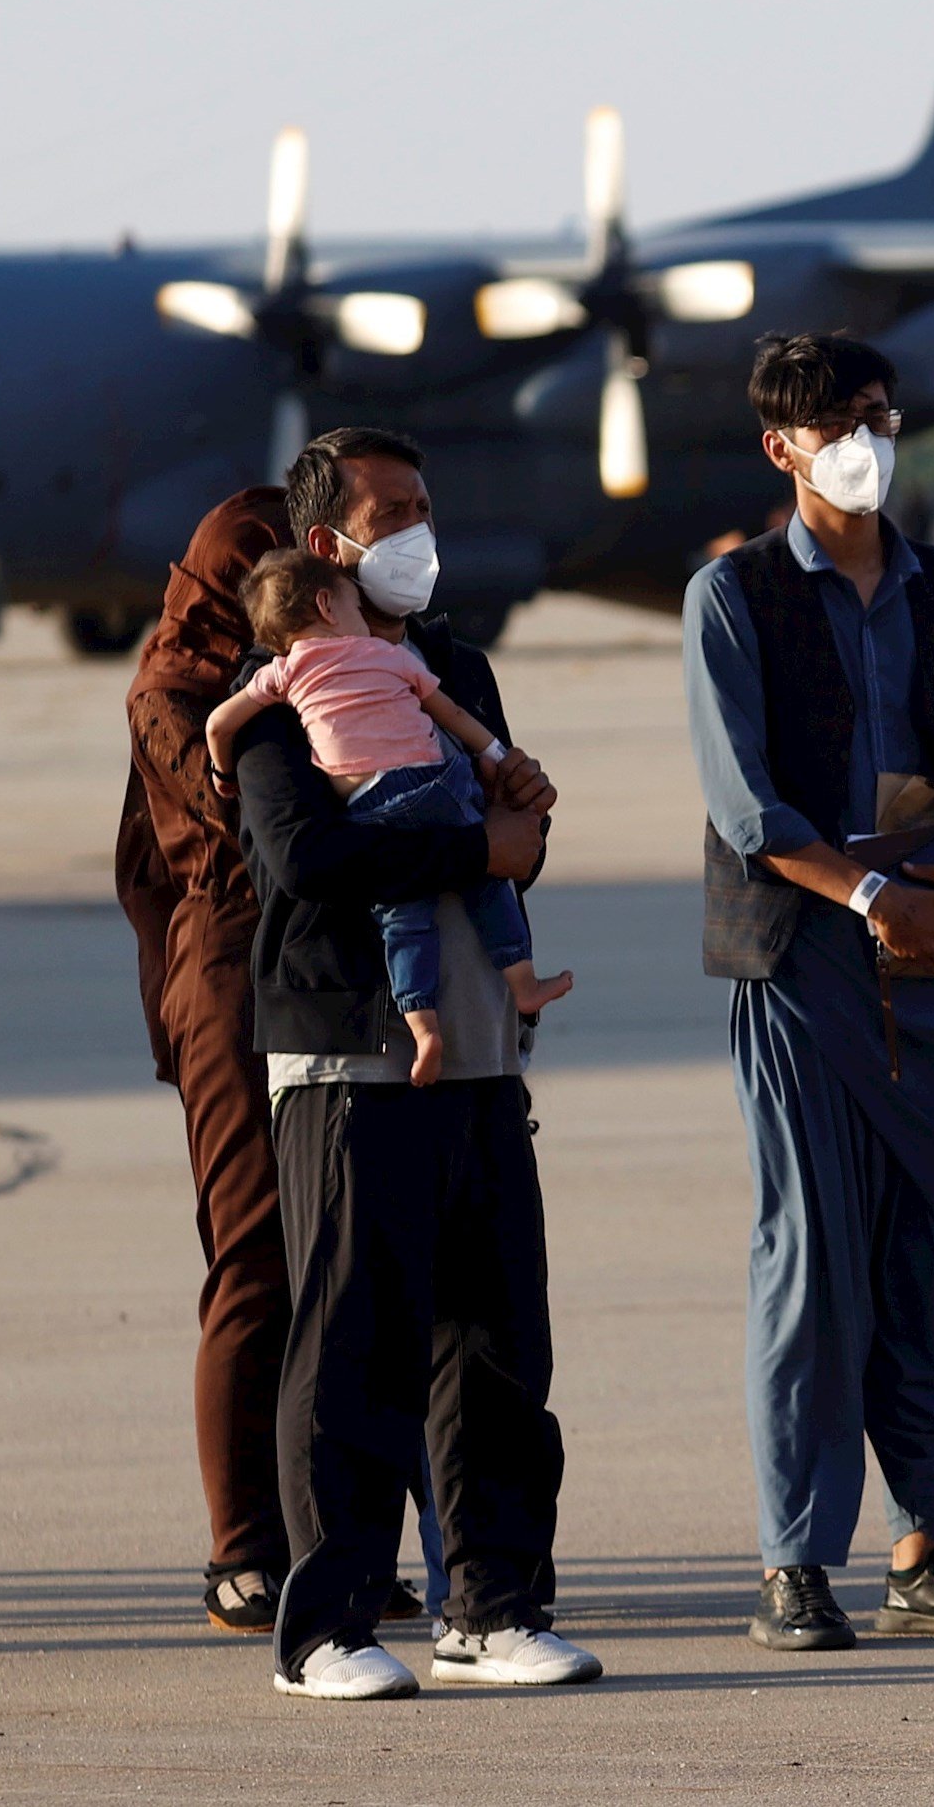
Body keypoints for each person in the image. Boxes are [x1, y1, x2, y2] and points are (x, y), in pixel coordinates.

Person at [684, 332, 934, 1653]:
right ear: (780, 449)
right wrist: (868, 897)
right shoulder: (735, 598)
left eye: (878, 415)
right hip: (808, 964)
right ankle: (796, 1562)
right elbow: (751, 807)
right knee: (815, 1265)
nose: (866, 440)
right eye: (835, 423)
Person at [226, 427, 597, 1701]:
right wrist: (478, 849)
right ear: (325, 542)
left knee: (499, 1341)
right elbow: (309, 862)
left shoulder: (455, 665)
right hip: (349, 1054)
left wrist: (522, 822)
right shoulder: (281, 677)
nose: (416, 529)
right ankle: (324, 1626)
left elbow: (512, 839)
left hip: (483, 1051)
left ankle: (490, 1606)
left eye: (425, 504)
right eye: (391, 511)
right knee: (353, 1345)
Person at [115, 483, 298, 1632]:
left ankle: (327, 1531)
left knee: (343, 1271)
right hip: (232, 979)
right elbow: (248, 828)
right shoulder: (178, 694)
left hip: (322, 968)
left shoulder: (337, 663)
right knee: (256, 1259)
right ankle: (241, 1548)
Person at [206, 549, 571, 1086]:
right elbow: (449, 716)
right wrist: (495, 757)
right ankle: (523, 984)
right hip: (433, 785)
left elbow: (218, 726)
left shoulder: (281, 674)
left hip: (370, 806)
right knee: (485, 878)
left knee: (403, 917)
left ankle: (424, 1029)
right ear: (329, 603)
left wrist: (222, 776)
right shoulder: (389, 655)